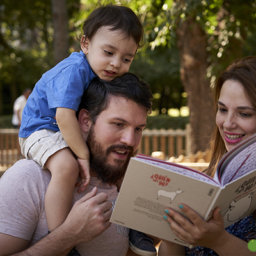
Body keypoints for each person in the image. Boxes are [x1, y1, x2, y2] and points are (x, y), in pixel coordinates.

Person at [17, 5, 154, 256]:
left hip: (60, 129)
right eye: (109, 52)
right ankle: (61, 236)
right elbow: (63, 115)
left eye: (126, 59)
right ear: (85, 44)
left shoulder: (100, 74)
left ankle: (136, 228)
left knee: (126, 166)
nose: (116, 64)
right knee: (67, 167)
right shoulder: (74, 71)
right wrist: (82, 154)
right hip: (41, 129)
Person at [0, 73, 158, 256]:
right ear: (85, 121)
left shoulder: (126, 184)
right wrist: (68, 235)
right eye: (118, 124)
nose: (130, 140)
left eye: (138, 129)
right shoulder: (29, 178)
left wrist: (161, 234)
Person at [161, 56, 256, 255]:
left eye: (244, 113)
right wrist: (172, 233)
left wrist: (220, 241)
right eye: (222, 109)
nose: (227, 123)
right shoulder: (210, 178)